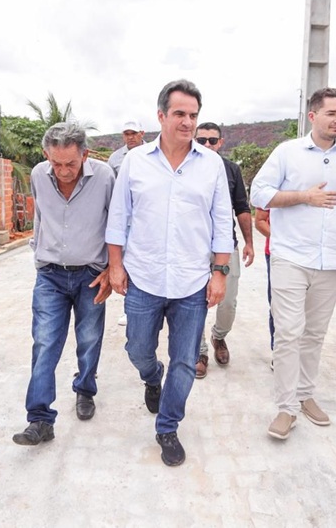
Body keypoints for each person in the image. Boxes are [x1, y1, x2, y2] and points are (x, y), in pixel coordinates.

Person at [105, 79, 233, 466]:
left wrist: (220, 272)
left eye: (193, 115)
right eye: (179, 114)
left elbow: (221, 221)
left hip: (192, 282)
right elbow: (118, 217)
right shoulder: (136, 162)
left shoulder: (211, 165)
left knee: (185, 361)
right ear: (161, 116)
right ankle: (151, 376)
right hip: (143, 278)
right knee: (137, 349)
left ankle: (168, 426)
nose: (188, 122)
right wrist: (115, 266)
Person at [250, 87, 336, 440]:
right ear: (313, 116)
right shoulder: (287, 152)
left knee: (314, 333)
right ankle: (286, 408)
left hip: (333, 260)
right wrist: (305, 197)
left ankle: (305, 395)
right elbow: (259, 193)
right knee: (288, 332)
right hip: (290, 256)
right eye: (331, 113)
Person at [12, 123, 115, 447]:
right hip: (50, 275)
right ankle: (40, 419)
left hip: (91, 274)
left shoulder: (104, 177)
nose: (63, 170)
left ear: (85, 154)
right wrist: (38, 253)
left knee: (89, 339)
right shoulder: (38, 175)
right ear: (47, 155)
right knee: (44, 342)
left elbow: (117, 223)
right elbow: (41, 216)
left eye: (70, 163)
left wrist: (113, 269)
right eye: (56, 163)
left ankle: (85, 389)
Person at [193, 122, 254, 378]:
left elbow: (242, 207)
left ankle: (219, 336)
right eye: (201, 140)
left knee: (228, 301)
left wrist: (249, 242)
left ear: (221, 142)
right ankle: (199, 351)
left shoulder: (231, 170)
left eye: (212, 140)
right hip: (193, 247)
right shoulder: (186, 168)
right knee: (194, 302)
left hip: (226, 246)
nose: (207, 145)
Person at [108, 120, 146, 327]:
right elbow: (111, 191)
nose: (130, 137)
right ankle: (129, 310)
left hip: (146, 220)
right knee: (127, 264)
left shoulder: (154, 154)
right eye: (126, 133)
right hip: (125, 222)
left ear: (142, 133)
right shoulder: (115, 159)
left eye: (134, 133)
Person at [254, 207, 275, 356]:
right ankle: (279, 352)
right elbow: (260, 220)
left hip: (316, 258)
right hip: (278, 254)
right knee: (278, 305)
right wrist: (284, 243)